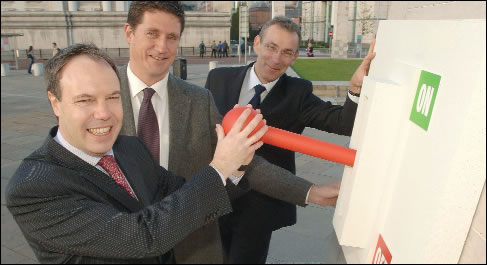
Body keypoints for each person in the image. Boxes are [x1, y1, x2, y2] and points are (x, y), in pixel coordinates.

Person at [6, 43, 267, 264]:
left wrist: (235, 167)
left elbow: (182, 193)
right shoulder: (33, 187)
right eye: (85, 100)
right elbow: (142, 236)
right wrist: (220, 166)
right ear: (56, 103)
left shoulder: (130, 147)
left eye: (113, 97)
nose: (104, 113)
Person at [120, 2, 340, 263]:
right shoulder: (98, 97)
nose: (162, 47)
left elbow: (244, 162)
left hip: (188, 247)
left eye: (172, 37)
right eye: (152, 33)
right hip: (118, 243)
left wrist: (311, 191)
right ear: (129, 33)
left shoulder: (198, 100)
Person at [205, 16, 376, 264]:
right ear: (257, 44)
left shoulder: (298, 93)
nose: (276, 59)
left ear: (295, 57)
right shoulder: (218, 78)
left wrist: (355, 87)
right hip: (212, 198)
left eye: (286, 52)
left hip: (260, 204)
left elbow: (342, 123)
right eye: (271, 47)